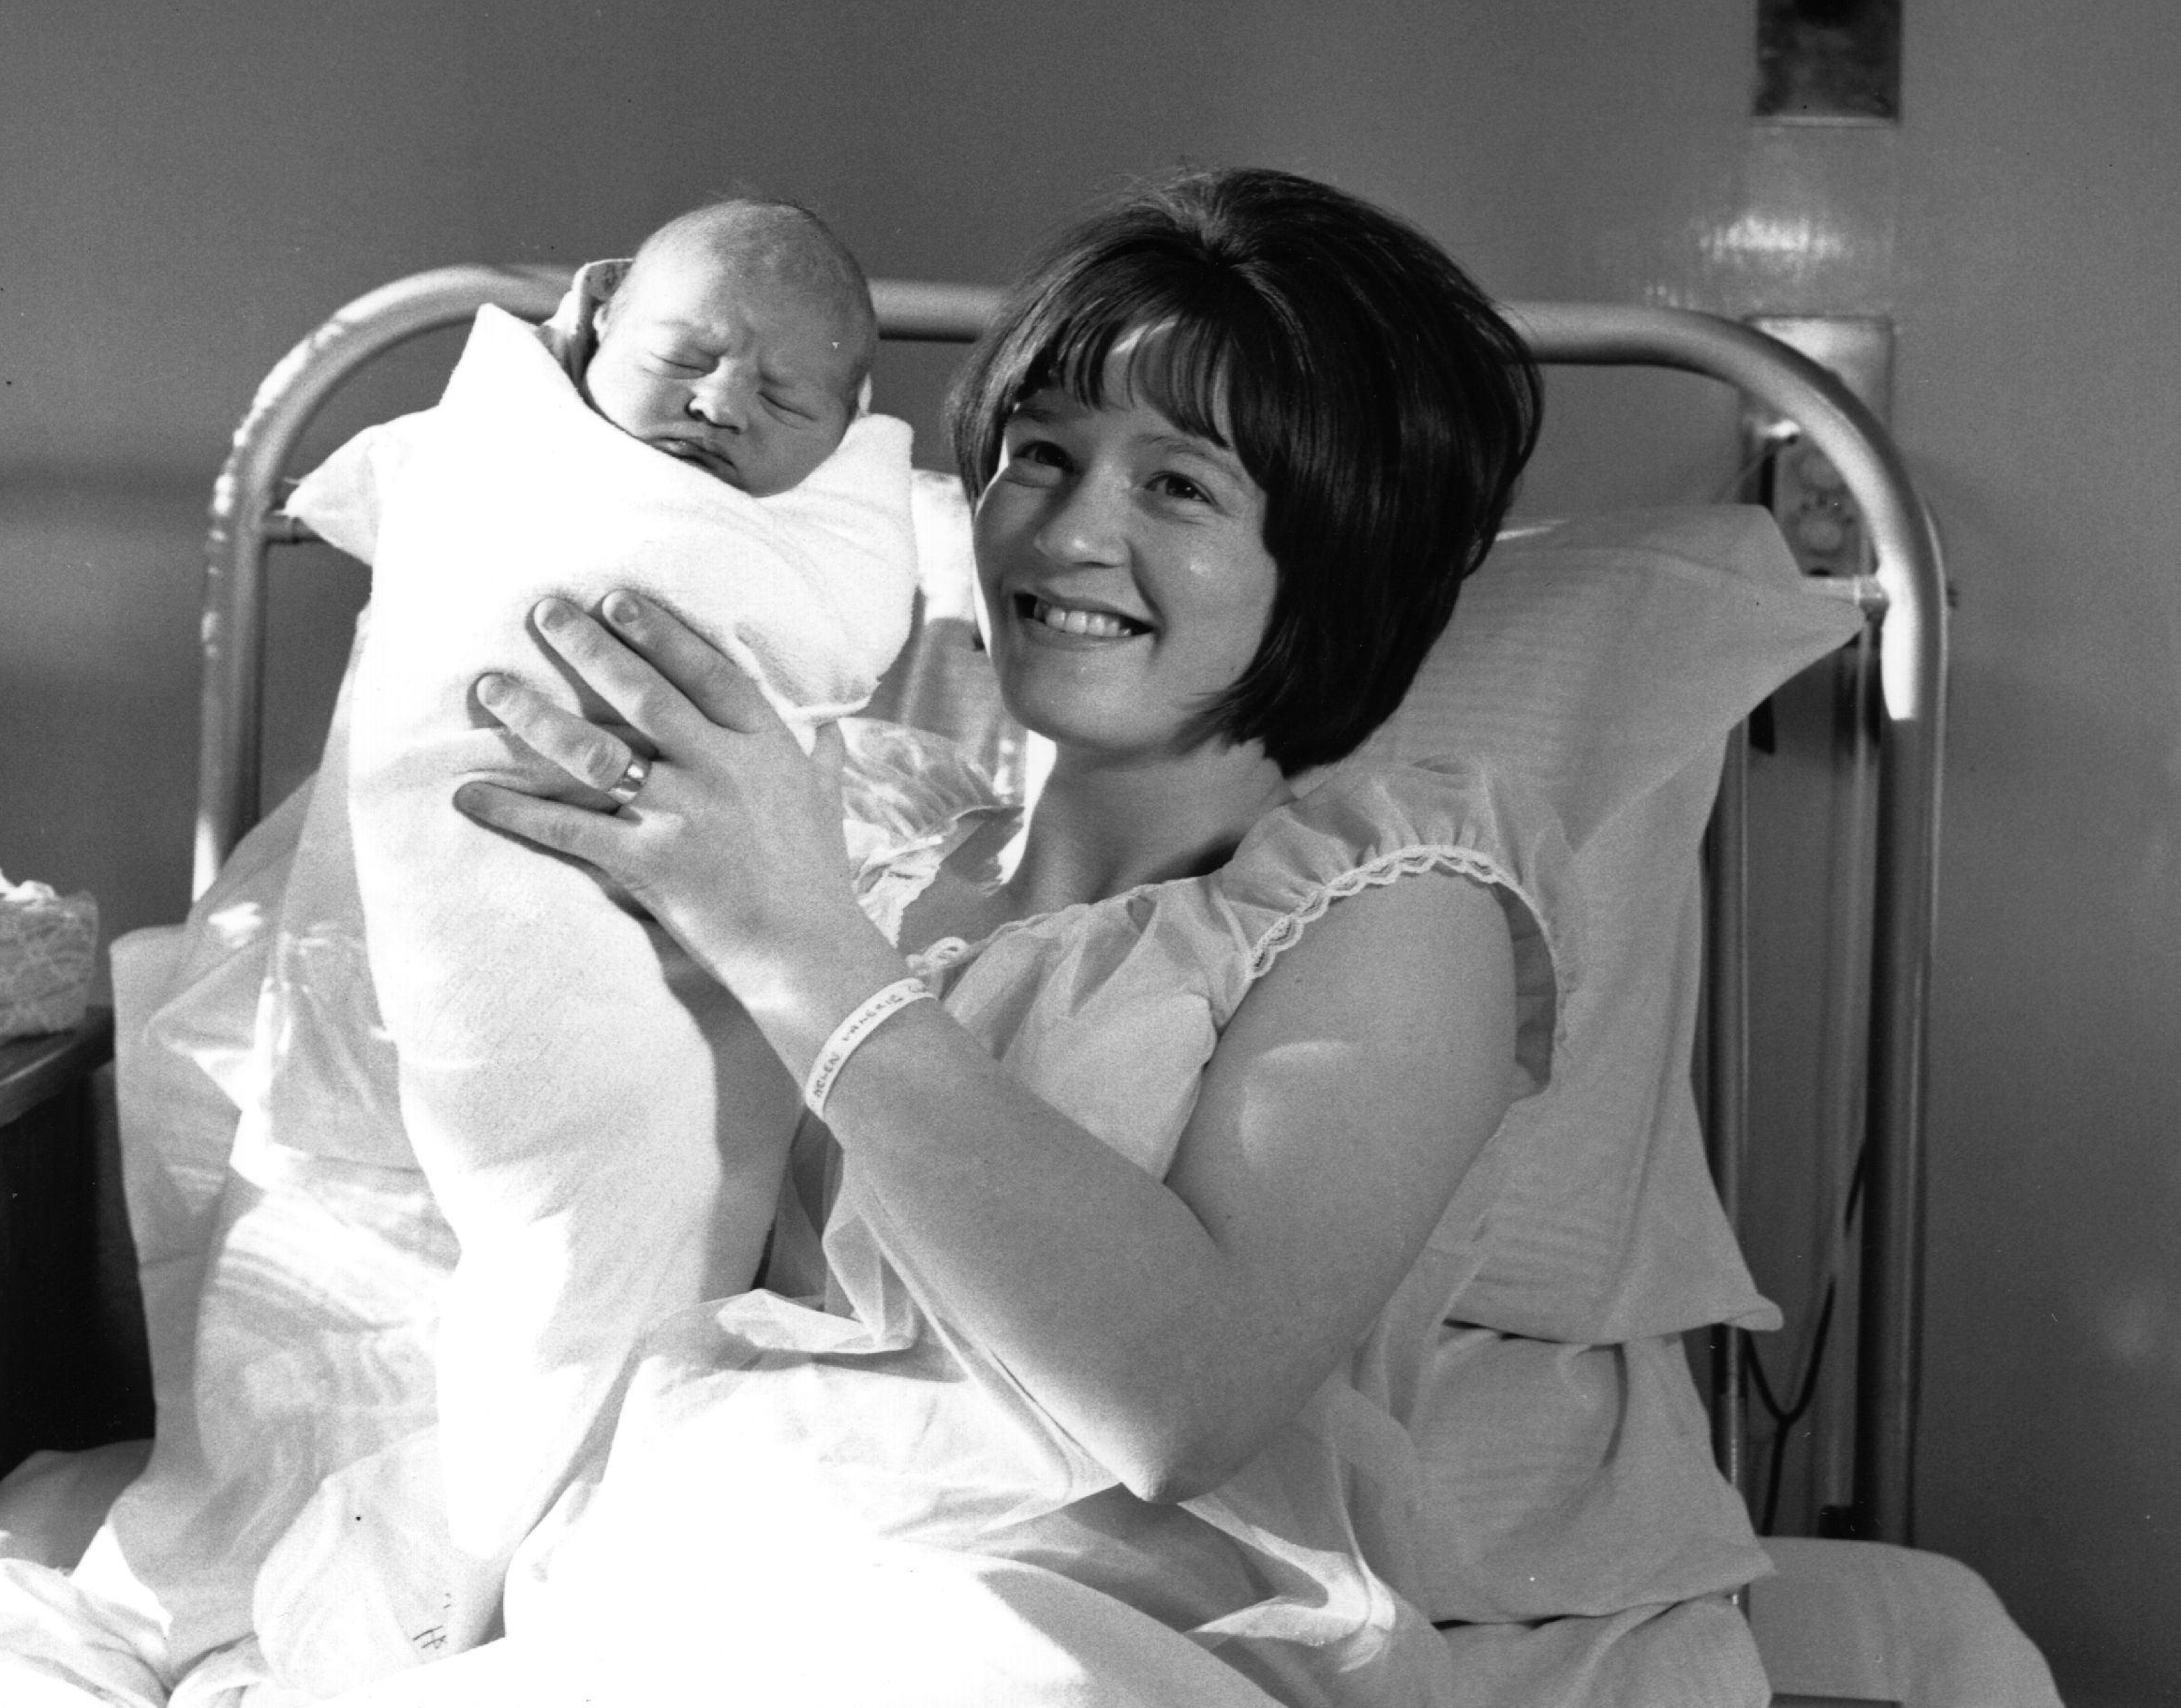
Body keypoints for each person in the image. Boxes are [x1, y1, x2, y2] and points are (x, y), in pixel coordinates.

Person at [352, 167, 1770, 1708]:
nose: (1071, 533)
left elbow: (1181, 1403)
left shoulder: (1398, 902)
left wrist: (801, 951)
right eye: (1041, 455)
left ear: (1338, 552)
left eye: (1181, 487)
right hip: (699, 1564)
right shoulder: (855, 847)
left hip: (1068, 1634)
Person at [257, 197, 922, 1658]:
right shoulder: (505, 449)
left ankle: (539, 1573)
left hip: (682, 980)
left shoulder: (845, 523)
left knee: (638, 1262)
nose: (722, 405)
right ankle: (504, 1600)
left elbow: (835, 629)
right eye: (685, 356)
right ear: (596, 323)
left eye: (787, 397)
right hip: (499, 956)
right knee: (571, 1269)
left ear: (852, 422)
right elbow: (436, 516)